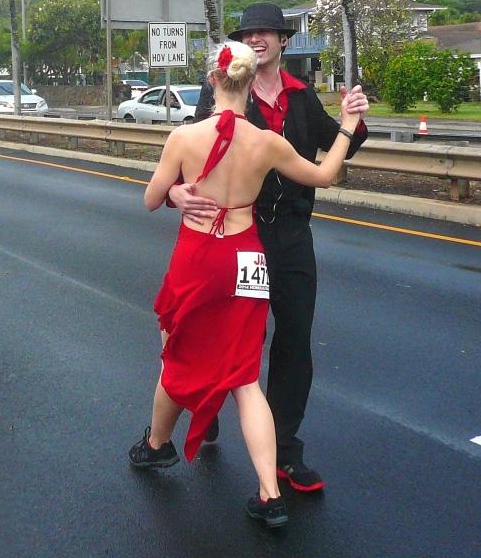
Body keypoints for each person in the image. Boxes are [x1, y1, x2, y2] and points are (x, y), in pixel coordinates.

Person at [132, 40, 368, 529]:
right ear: (246, 81)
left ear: (213, 80)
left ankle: (157, 444)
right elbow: (325, 175)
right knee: (244, 376)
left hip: (199, 255)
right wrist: (346, 124)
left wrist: (176, 190)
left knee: (178, 350)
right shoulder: (267, 141)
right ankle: (269, 493)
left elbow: (152, 199)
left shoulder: (184, 136)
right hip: (247, 255)